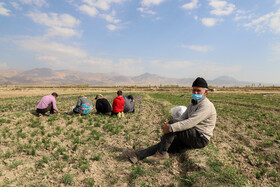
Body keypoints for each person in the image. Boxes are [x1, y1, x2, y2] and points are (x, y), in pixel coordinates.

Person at [124, 77, 217, 163]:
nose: (195, 93)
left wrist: (171, 127)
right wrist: (168, 125)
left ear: (205, 92)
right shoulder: (192, 104)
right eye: (194, 90)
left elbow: (191, 122)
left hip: (200, 138)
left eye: (198, 91)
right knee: (164, 144)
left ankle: (162, 154)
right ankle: (137, 155)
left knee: (172, 125)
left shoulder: (206, 105)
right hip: (191, 135)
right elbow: (182, 118)